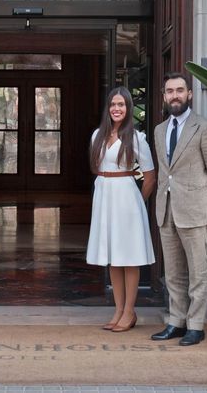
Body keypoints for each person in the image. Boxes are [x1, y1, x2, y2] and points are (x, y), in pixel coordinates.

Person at [151, 72, 207, 346]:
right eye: (170, 91)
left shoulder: (204, 128)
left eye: (180, 90)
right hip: (167, 210)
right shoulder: (160, 130)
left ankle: (196, 325)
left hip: (195, 210)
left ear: (189, 94)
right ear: (164, 96)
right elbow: (164, 173)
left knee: (198, 272)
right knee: (173, 273)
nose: (175, 96)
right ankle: (176, 322)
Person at [86, 86, 156, 332]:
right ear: (108, 108)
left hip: (127, 198)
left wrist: (137, 203)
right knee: (113, 258)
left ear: (129, 109)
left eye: (122, 105)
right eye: (113, 105)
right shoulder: (97, 135)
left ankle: (129, 311)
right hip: (105, 195)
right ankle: (118, 309)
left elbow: (149, 176)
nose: (117, 109)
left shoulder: (137, 138)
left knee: (129, 257)